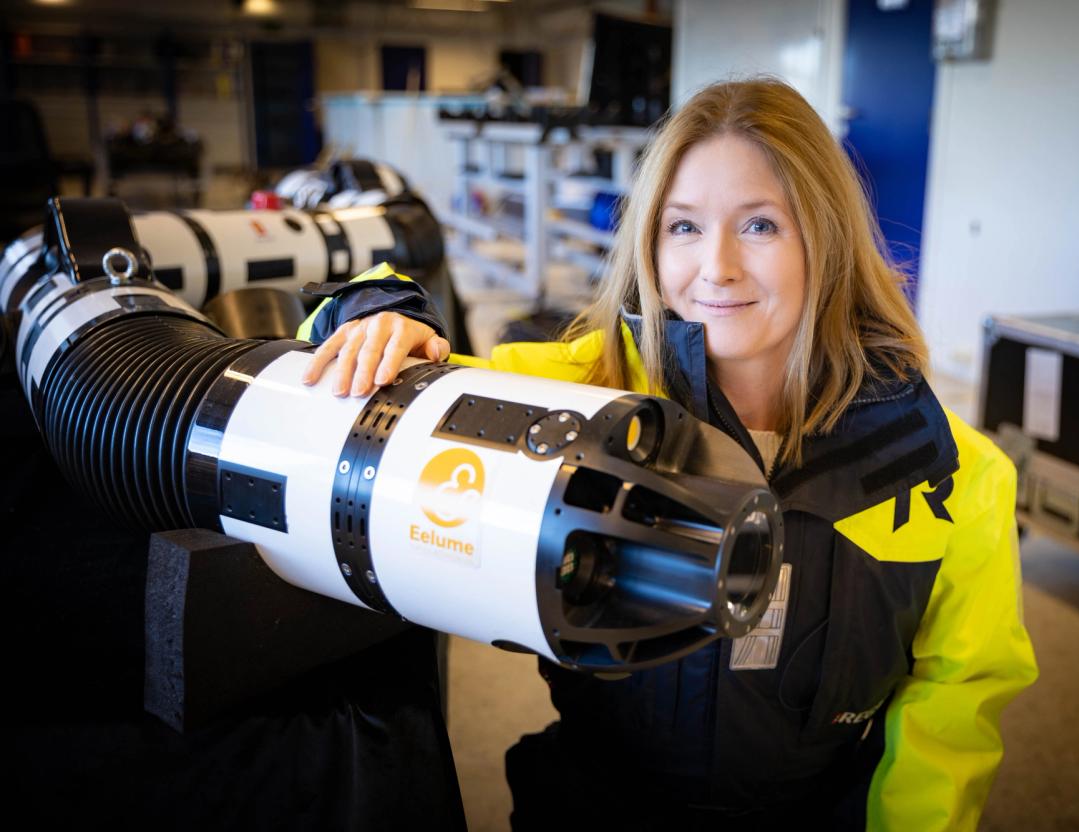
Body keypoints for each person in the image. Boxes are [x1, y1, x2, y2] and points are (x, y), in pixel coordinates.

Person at [299, 78, 1038, 830]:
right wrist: (376, 314)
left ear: (828, 239)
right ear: (649, 242)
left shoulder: (949, 470)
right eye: (684, 228)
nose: (716, 266)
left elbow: (955, 705)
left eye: (760, 226)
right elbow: (335, 365)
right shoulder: (578, 399)